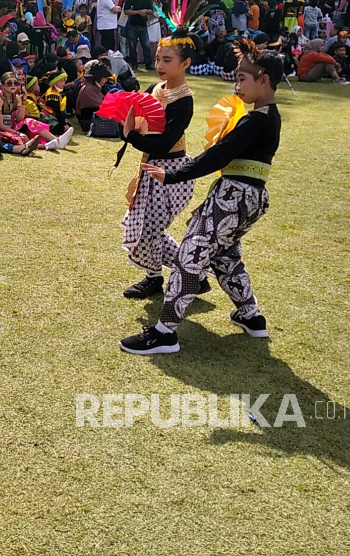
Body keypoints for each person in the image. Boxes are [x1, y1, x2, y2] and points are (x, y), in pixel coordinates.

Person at [120, 39, 284, 354]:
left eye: (242, 78)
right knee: (224, 256)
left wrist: (174, 174)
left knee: (188, 257)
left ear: (263, 80)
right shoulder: (269, 117)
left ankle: (165, 333)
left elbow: (217, 156)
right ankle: (251, 316)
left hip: (232, 197)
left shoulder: (256, 119)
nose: (236, 85)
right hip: (251, 198)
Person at [120, 30, 204, 300]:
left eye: (167, 60)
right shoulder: (155, 89)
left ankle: (182, 275)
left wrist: (131, 136)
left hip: (172, 172)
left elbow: (164, 144)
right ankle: (176, 277)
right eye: (157, 59)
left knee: (150, 230)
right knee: (147, 229)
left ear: (185, 63)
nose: (158, 66)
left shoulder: (184, 100)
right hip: (150, 168)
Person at [75, 60, 112, 131]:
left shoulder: (93, 87)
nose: (106, 80)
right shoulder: (88, 89)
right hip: (90, 123)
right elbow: (100, 106)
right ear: (98, 78)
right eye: (104, 78)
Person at [123, 0, 154, 71]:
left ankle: (148, 64)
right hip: (132, 25)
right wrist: (138, 12)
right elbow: (126, 11)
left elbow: (151, 11)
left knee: (146, 46)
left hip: (143, 25)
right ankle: (134, 64)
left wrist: (145, 11)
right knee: (132, 46)